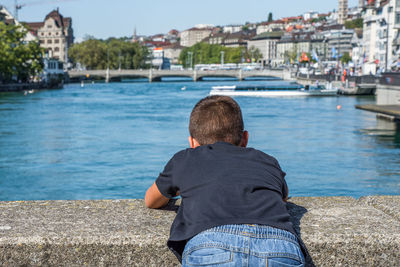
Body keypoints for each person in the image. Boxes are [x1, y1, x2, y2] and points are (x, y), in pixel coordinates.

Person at [145, 95, 306, 266]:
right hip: (279, 246)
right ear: (245, 138)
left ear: (192, 143)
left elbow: (151, 200)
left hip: (211, 246)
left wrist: (186, 186)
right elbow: (282, 197)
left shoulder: (184, 159)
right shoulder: (267, 160)